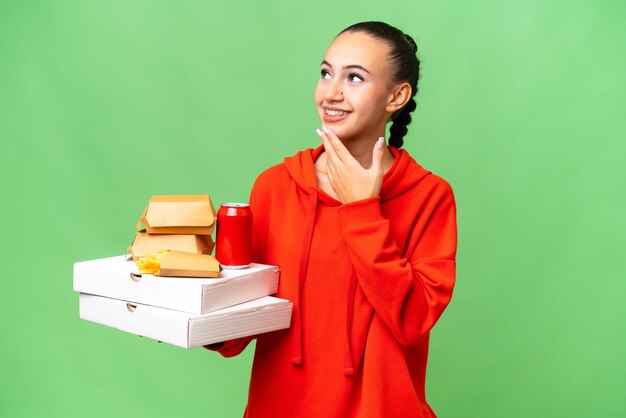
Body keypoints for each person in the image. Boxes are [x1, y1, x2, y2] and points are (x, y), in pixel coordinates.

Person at [207, 21, 457, 418]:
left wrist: (361, 210)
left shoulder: (429, 196)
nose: (331, 93)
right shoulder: (275, 186)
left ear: (397, 96)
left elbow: (412, 319)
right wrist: (188, 312)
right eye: (326, 73)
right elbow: (246, 315)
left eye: (354, 78)